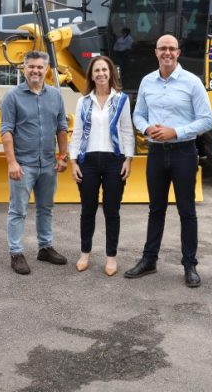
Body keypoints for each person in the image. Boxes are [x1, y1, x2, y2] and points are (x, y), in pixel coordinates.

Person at [124, 34, 212, 287]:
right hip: (156, 153)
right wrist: (146, 128)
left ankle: (190, 265)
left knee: (187, 211)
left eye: (171, 49)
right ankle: (149, 260)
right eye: (162, 48)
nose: (167, 52)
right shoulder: (146, 82)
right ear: (156, 52)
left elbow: (207, 119)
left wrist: (176, 131)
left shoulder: (192, 82)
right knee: (156, 209)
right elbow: (138, 114)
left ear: (178, 52)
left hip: (184, 152)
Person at [0, 50, 70, 275]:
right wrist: (12, 162)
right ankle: (16, 253)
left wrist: (63, 156)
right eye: (31, 66)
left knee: (46, 208)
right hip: (24, 165)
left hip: (48, 164)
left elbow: (61, 128)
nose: (36, 70)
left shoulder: (56, 96)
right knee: (18, 210)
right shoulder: (12, 97)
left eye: (40, 67)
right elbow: (6, 131)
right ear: (24, 68)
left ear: (47, 69)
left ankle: (45, 248)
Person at [68, 56, 135, 276]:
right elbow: (77, 132)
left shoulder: (122, 99)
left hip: (114, 160)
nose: (101, 74)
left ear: (110, 73)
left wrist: (128, 159)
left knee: (111, 211)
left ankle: (111, 257)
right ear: (91, 75)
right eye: (96, 70)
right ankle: (85, 253)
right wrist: (73, 161)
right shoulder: (83, 101)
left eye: (104, 69)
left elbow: (127, 130)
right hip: (87, 161)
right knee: (87, 210)